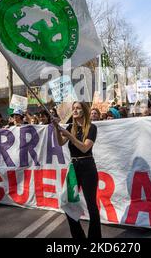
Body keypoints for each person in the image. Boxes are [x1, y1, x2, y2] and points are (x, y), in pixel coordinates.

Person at [52, 102, 101, 239]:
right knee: (67, 201)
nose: (75, 110)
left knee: (91, 205)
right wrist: (57, 128)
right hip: (73, 167)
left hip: (88, 167)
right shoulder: (70, 127)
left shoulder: (92, 128)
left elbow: (85, 148)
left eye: (78, 108)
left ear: (84, 111)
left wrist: (69, 135)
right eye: (73, 108)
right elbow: (60, 143)